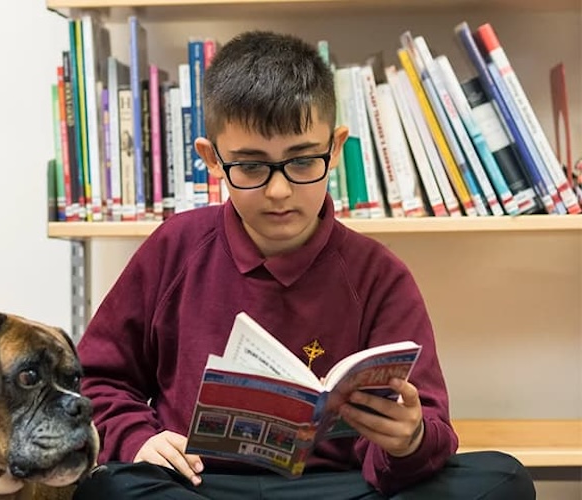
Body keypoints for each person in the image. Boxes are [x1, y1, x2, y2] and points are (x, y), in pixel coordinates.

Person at [72, 30, 535, 499]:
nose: (279, 192)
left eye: (302, 161)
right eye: (251, 167)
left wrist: (409, 441)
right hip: (198, 485)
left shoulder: (378, 274)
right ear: (212, 160)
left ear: (334, 150)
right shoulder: (176, 247)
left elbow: (431, 423)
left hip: (336, 488)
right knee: (107, 488)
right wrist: (139, 440)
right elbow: (94, 380)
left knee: (503, 479)